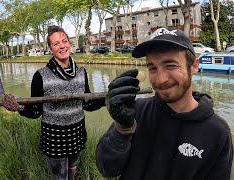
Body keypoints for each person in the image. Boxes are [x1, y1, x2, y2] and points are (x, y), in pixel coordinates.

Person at [96, 28, 233, 180]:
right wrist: (122, 129)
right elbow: (106, 169)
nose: (160, 79)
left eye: (171, 65)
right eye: (152, 68)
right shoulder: (136, 112)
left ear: (193, 66)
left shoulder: (218, 133)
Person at [2, 25, 105, 180]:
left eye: (64, 41)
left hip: (77, 134)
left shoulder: (82, 72)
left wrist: (108, 99)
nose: (62, 46)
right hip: (55, 139)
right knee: (60, 177)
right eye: (56, 44)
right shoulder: (40, 76)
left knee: (72, 172)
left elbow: (88, 103)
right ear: (50, 48)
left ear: (70, 44)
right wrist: (18, 107)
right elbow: (35, 111)